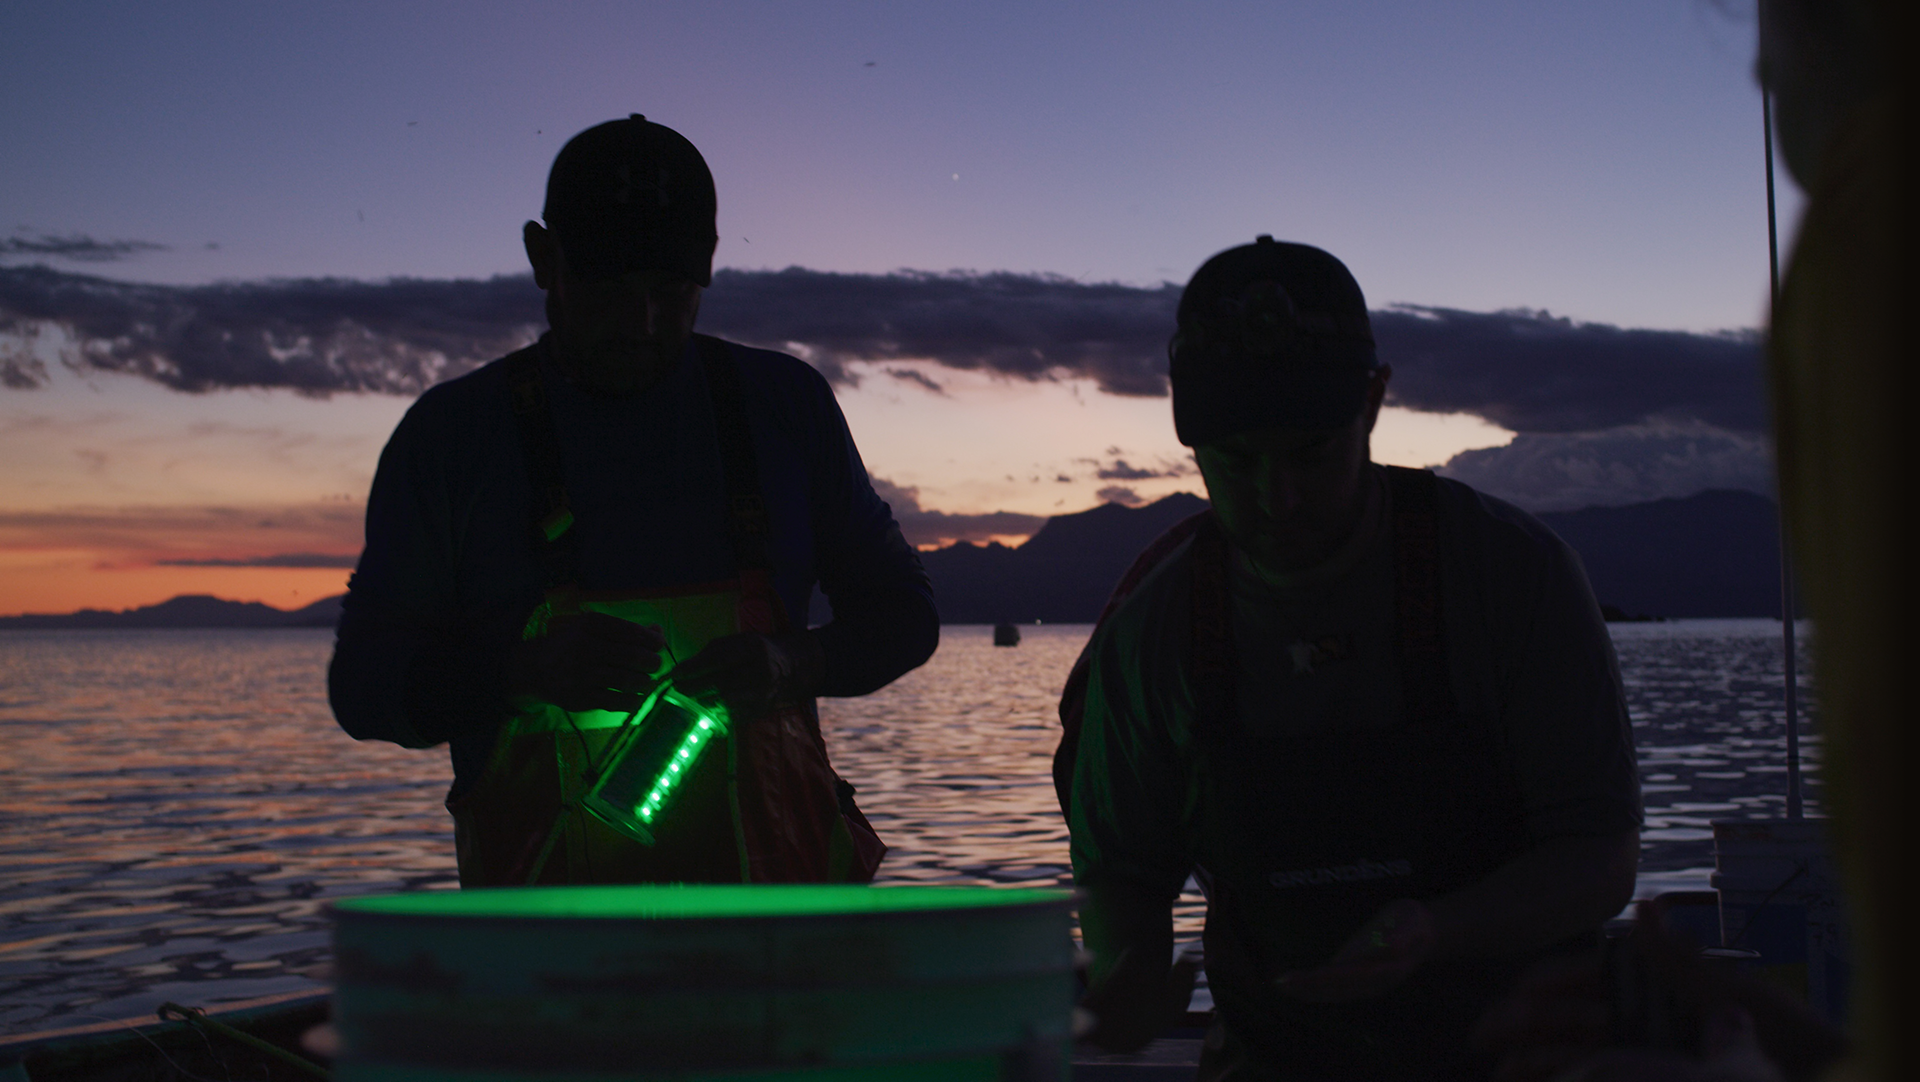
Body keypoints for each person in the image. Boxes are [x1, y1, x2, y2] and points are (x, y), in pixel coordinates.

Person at [1060, 237, 1644, 1080]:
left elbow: (1600, 856)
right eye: (1235, 462)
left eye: (1310, 454)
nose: (1275, 497)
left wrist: (1436, 928)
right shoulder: (1152, 634)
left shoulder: (1514, 574)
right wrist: (1129, 978)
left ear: (1373, 402)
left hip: (1530, 1054)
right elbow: (1122, 876)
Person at [328, 115, 937, 887]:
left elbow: (907, 615)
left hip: (788, 954)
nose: (643, 325)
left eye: (670, 291)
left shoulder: (788, 407)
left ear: (710, 265)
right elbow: (360, 687)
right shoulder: (450, 438)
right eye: (610, 290)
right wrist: (518, 675)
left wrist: (792, 662)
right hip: (546, 971)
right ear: (543, 258)